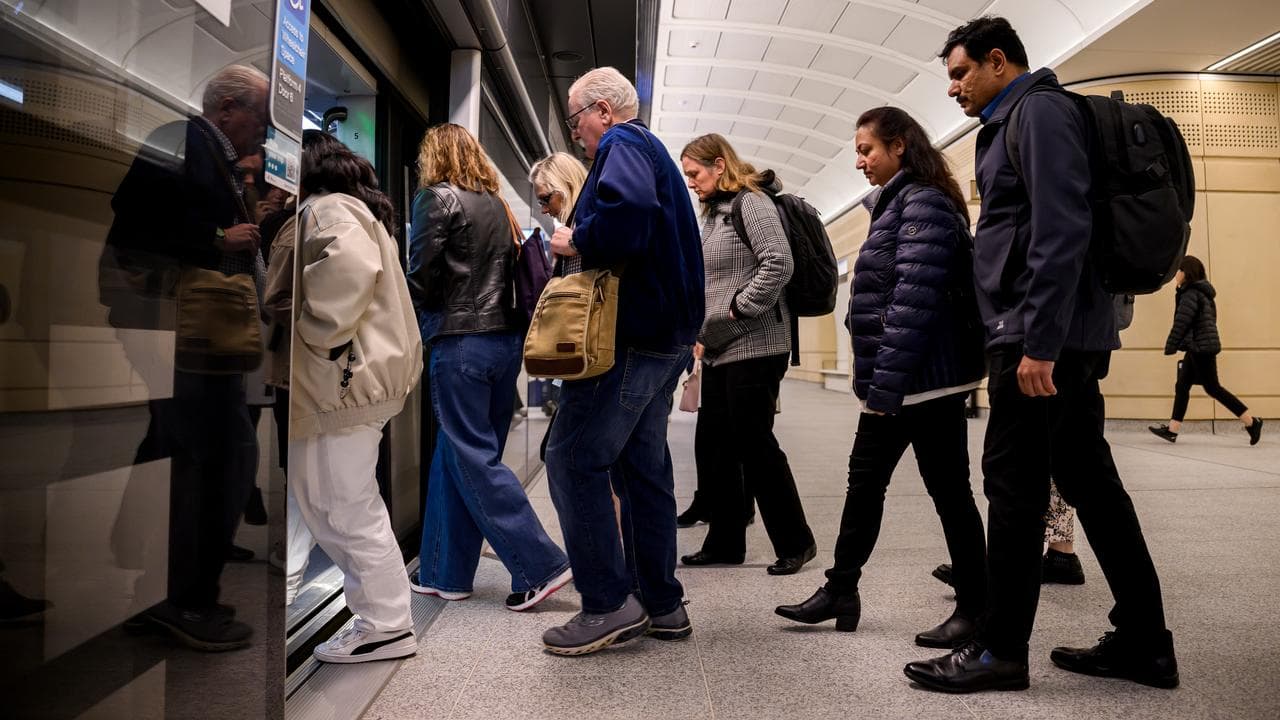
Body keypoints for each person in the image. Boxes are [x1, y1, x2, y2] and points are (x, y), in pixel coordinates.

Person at [905, 17, 1178, 693]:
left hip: (1039, 337)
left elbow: (1062, 229)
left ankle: (1001, 651)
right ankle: (1145, 642)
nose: (954, 88)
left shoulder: (1040, 113)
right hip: (1041, 331)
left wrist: (1040, 343)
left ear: (1000, 62)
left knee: (1014, 485)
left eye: (961, 73)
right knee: (1089, 484)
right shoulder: (1020, 120)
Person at [772, 109, 987, 646]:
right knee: (866, 483)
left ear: (899, 146)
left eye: (867, 150)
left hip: (925, 381)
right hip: (901, 379)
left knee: (948, 493)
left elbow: (914, 304)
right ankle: (841, 589)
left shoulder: (924, 204)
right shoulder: (900, 204)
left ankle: (977, 606)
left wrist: (883, 388)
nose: (860, 160)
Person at [540, 67, 705, 656]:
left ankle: (607, 603)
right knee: (643, 468)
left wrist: (575, 238)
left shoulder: (624, 142)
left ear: (604, 111)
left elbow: (627, 216)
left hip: (633, 337)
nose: (578, 132)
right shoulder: (653, 151)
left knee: (571, 456)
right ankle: (662, 603)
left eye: (577, 117)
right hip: (669, 338)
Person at [103, 64, 268, 651]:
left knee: (184, 453)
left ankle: (160, 592)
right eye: (260, 113)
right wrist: (220, 239)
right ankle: (185, 601)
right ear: (226, 108)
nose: (266, 128)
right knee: (220, 457)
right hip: (183, 332)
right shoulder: (183, 141)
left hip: (199, 334)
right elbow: (136, 226)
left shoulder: (215, 155)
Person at [407, 124, 572, 612]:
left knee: (472, 456)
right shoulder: (498, 206)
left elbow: (421, 275)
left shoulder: (435, 199)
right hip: (504, 346)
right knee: (456, 456)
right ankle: (445, 572)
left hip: (460, 341)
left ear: (433, 156)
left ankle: (541, 564)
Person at [289, 130, 422, 663]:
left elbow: (345, 268)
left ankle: (386, 623)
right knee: (338, 504)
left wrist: (316, 334)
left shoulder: (328, 209)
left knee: (343, 508)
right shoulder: (357, 208)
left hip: (342, 383)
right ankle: (384, 620)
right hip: (358, 383)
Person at [676, 133, 816, 575]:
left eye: (695, 173)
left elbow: (778, 262)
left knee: (755, 444)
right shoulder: (713, 215)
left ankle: (795, 540)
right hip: (721, 346)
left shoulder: (750, 203)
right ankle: (725, 541)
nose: (692, 183)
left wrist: (739, 307)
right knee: (718, 446)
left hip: (757, 343)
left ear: (720, 165)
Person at [1149, 255, 1262, 445]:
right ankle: (1172, 430)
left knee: (1213, 388)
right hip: (1198, 346)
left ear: (1186, 273)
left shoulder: (1191, 294)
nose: (1176, 274)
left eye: (1179, 270)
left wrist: (1171, 345)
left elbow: (1182, 322)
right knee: (1182, 386)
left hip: (1201, 348)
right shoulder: (1202, 293)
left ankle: (1252, 422)